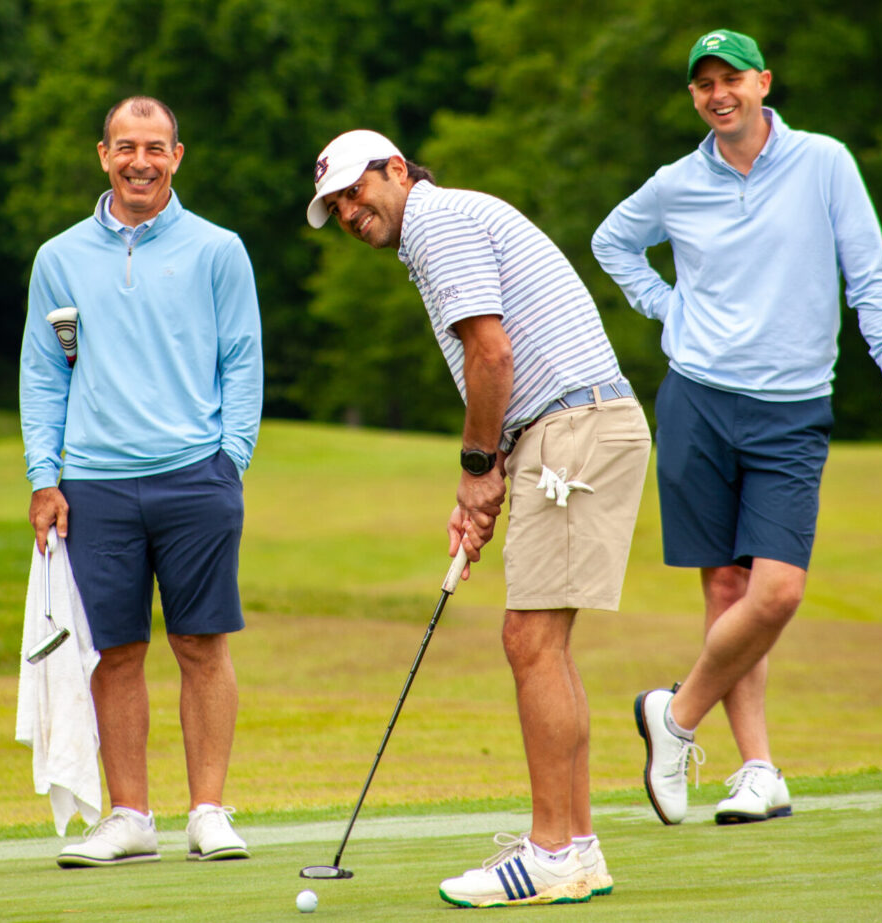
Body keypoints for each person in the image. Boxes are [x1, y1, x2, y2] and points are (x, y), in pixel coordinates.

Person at [592, 30, 882, 827]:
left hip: (791, 405)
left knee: (776, 590)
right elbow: (613, 241)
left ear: (763, 82)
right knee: (725, 586)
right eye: (704, 83)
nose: (719, 93)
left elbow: (869, 270)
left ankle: (673, 718)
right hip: (698, 398)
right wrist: (668, 305)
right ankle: (758, 770)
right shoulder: (676, 183)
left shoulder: (824, 162)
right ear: (693, 95)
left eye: (732, 79)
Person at [306, 129, 651, 907]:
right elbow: (496, 364)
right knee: (545, 643)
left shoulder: (436, 222)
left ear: (397, 170)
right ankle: (579, 846)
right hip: (565, 426)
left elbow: (491, 356)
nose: (352, 212)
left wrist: (476, 471)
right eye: (338, 206)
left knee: (529, 638)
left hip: (572, 424)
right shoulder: (443, 226)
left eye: (357, 191)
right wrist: (492, 467)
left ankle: (552, 848)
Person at [20, 96, 263, 867]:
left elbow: (243, 361)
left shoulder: (217, 249)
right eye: (126, 146)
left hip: (196, 475)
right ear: (103, 154)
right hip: (93, 482)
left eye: (155, 147)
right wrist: (44, 475)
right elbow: (44, 374)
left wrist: (231, 459)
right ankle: (129, 815)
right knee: (116, 651)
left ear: (177, 156)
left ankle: (209, 810)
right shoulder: (58, 258)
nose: (140, 161)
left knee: (201, 643)